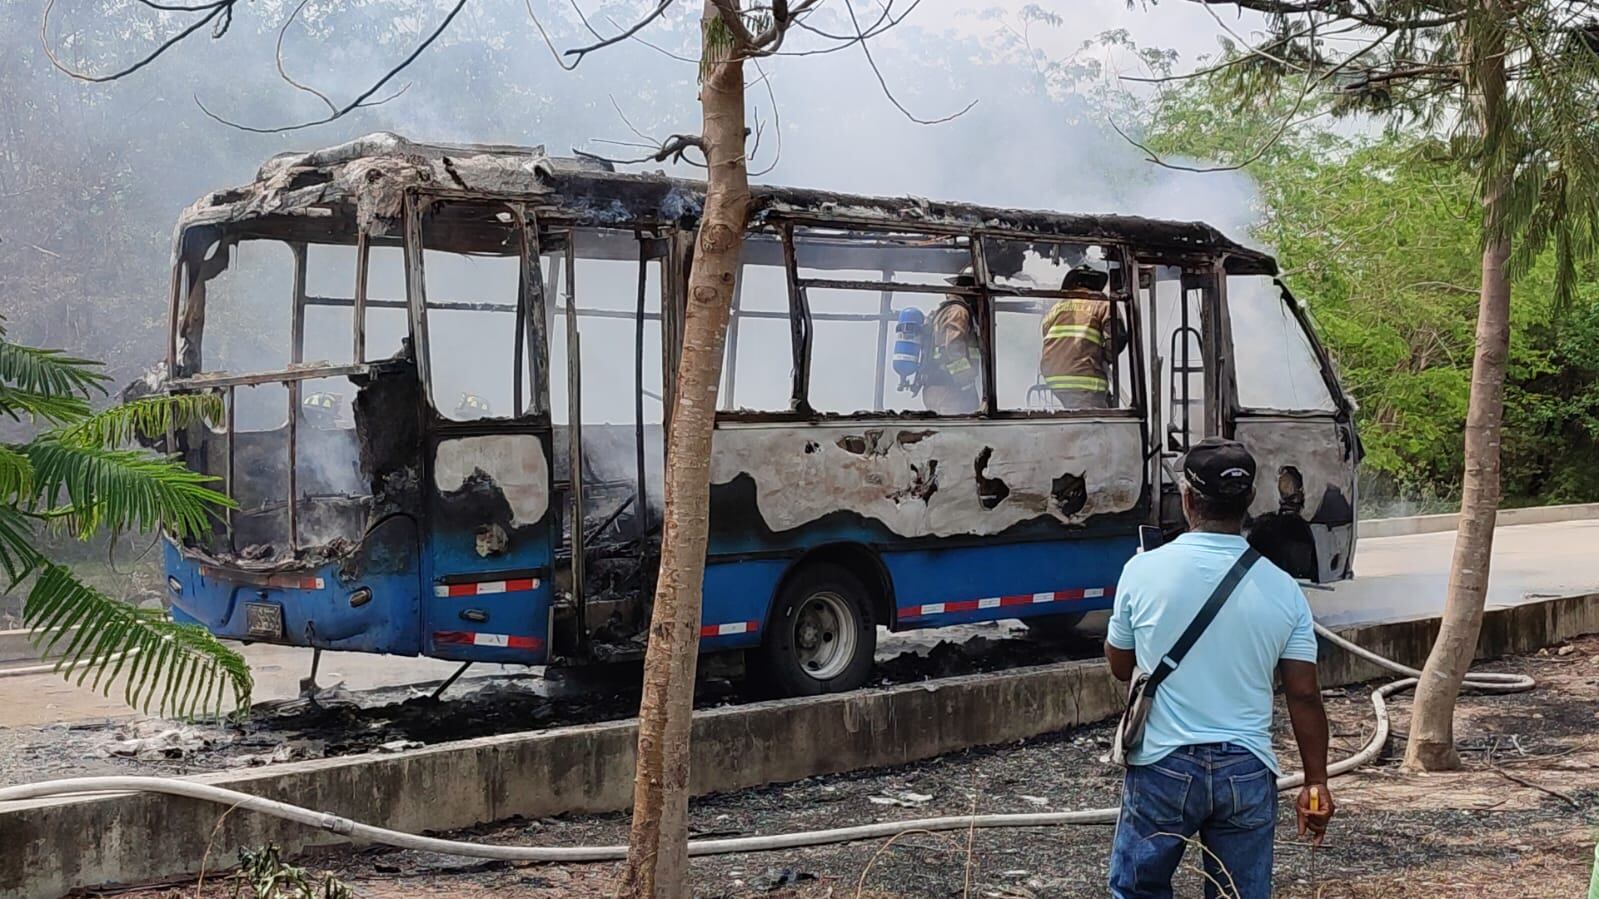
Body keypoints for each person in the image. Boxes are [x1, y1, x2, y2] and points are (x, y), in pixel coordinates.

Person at [1105, 437, 1333, 899]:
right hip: (1246, 769)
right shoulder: (1284, 588)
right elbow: (1304, 694)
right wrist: (1315, 782)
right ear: (1249, 500)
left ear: (1187, 499)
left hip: (1162, 764)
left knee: (1138, 889)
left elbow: (1119, 664)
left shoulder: (1142, 570)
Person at [1041, 263, 1124, 410]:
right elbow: (1118, 338)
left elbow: (1046, 337)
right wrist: (1105, 358)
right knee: (1097, 429)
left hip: (1054, 381)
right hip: (1086, 382)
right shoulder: (1101, 302)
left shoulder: (1055, 308)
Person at [920, 270, 982, 415]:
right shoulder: (958, 311)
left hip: (939, 386)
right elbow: (953, 349)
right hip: (949, 389)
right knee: (956, 436)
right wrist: (966, 383)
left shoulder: (946, 310)